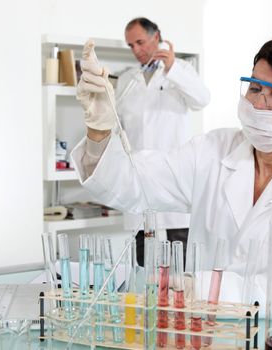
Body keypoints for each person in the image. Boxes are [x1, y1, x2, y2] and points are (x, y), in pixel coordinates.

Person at [73, 33, 272, 308]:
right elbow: (133, 182)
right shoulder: (214, 149)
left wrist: (205, 288)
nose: (258, 103)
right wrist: (99, 129)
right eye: (255, 87)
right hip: (205, 327)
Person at [115, 17, 210, 265]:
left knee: (180, 258)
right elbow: (119, 127)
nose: (136, 50)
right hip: (139, 178)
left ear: (157, 37)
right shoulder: (126, 80)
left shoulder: (180, 71)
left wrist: (172, 69)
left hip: (172, 176)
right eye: (131, 45)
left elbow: (201, 99)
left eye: (140, 42)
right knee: (143, 257)